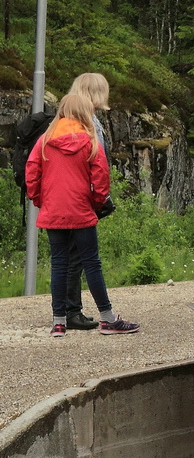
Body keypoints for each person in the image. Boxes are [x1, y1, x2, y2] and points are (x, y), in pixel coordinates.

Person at [25, 93, 139, 338]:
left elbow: (31, 173)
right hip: (81, 210)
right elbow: (101, 177)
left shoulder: (44, 140)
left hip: (53, 211)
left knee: (59, 264)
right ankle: (108, 319)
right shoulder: (89, 140)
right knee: (91, 264)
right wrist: (97, 203)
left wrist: (40, 201)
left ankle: (59, 323)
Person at [60, 73, 112, 330]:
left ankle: (67, 311)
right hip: (81, 199)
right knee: (79, 256)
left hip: (64, 196)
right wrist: (101, 198)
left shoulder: (65, 119)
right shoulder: (87, 122)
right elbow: (96, 163)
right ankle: (72, 312)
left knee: (69, 256)